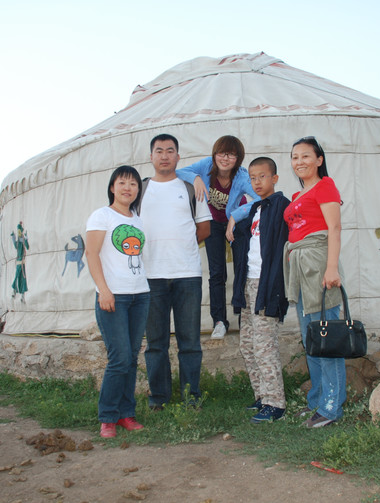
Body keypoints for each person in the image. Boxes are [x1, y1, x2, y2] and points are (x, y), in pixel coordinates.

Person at [141, 134, 212, 409]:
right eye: (159, 151)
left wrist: (180, 244)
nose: (165, 156)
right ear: (151, 157)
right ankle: (158, 397)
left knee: (190, 341)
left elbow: (204, 228)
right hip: (150, 276)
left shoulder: (190, 187)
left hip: (187, 274)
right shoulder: (141, 190)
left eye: (170, 151)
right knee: (156, 343)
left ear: (178, 157)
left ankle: (191, 397)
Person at [283, 136, 345, 428]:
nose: (300, 162)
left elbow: (334, 228)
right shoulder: (297, 197)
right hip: (300, 269)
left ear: (319, 160)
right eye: (295, 157)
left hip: (319, 266)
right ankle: (318, 402)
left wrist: (331, 268)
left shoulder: (325, 186)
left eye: (306, 156)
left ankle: (332, 408)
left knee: (326, 338)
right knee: (312, 340)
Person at [86, 165, 150, 439]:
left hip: (140, 295)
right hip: (114, 295)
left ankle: (127, 414)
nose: (128, 188)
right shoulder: (102, 216)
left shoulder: (138, 219)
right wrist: (104, 290)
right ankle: (108, 417)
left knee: (132, 358)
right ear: (112, 187)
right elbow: (91, 253)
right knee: (119, 357)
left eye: (133, 184)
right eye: (122, 183)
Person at [176, 135, 260, 339]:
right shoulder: (206, 165)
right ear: (215, 154)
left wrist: (236, 215)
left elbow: (259, 199)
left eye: (232, 155)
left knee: (242, 269)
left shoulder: (241, 175)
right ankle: (220, 321)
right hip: (212, 221)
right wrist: (195, 178)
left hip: (236, 223)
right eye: (222, 153)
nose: (225, 158)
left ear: (238, 158)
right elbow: (179, 171)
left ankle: (244, 320)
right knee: (217, 273)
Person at [231, 157, 290, 423]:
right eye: (253, 178)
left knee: (264, 345)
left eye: (262, 176)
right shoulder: (254, 209)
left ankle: (275, 403)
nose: (257, 182)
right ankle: (262, 396)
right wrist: (234, 219)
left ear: (274, 178)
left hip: (267, 284)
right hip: (249, 283)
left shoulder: (281, 206)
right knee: (247, 345)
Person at [10, 222, 29, 301]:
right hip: (20, 262)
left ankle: (20, 294)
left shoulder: (20, 241)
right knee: (20, 277)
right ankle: (17, 292)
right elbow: (26, 246)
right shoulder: (21, 241)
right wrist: (25, 237)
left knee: (21, 277)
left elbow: (26, 246)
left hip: (21, 262)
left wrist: (13, 236)